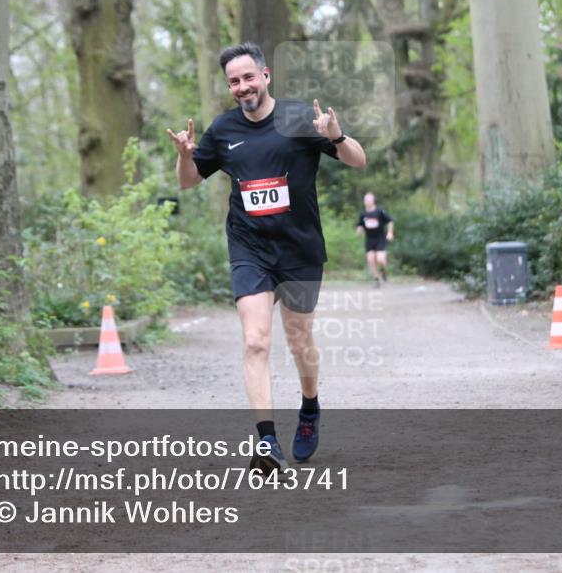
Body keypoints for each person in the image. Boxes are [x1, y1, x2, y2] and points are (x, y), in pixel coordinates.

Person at [166, 42, 366, 473]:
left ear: (266, 75)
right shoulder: (222, 130)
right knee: (255, 340)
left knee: (299, 341)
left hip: (299, 249)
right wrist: (184, 157)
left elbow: (358, 161)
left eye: (248, 77)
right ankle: (267, 442)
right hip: (249, 248)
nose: (242, 87)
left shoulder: (298, 118)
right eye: (234, 82)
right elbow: (188, 182)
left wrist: (335, 135)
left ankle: (310, 406)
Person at [356, 192, 393, 287]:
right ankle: (376, 280)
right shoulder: (363, 214)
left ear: (373, 200)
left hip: (380, 238)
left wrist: (390, 233)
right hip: (369, 240)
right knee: (371, 261)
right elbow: (360, 225)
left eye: (369, 199)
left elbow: (390, 221)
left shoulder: (380, 211)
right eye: (366, 200)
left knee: (380, 260)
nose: (367, 201)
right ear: (364, 201)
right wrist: (359, 230)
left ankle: (383, 271)